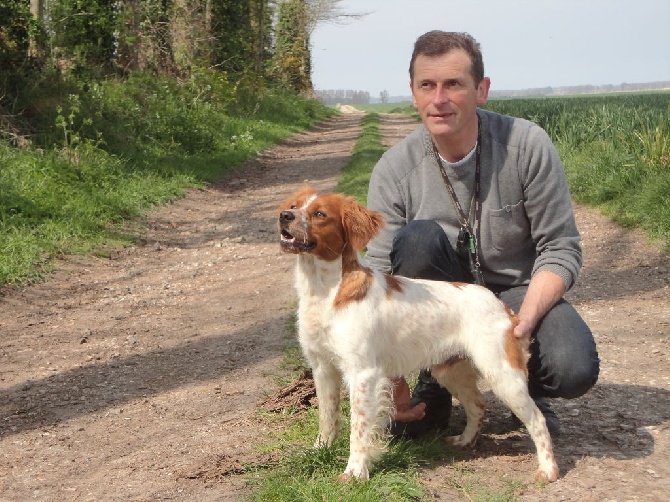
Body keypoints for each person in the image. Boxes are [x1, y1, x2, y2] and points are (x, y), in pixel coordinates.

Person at [365, 30, 600, 437]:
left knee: (573, 367)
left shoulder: (527, 145)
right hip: (439, 306)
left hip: (515, 294)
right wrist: (392, 378)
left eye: (453, 84)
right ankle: (432, 384)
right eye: (427, 85)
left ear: (482, 89)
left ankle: (523, 390)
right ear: (413, 92)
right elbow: (377, 278)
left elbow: (560, 247)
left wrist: (521, 326)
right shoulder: (393, 169)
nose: (439, 99)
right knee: (418, 240)